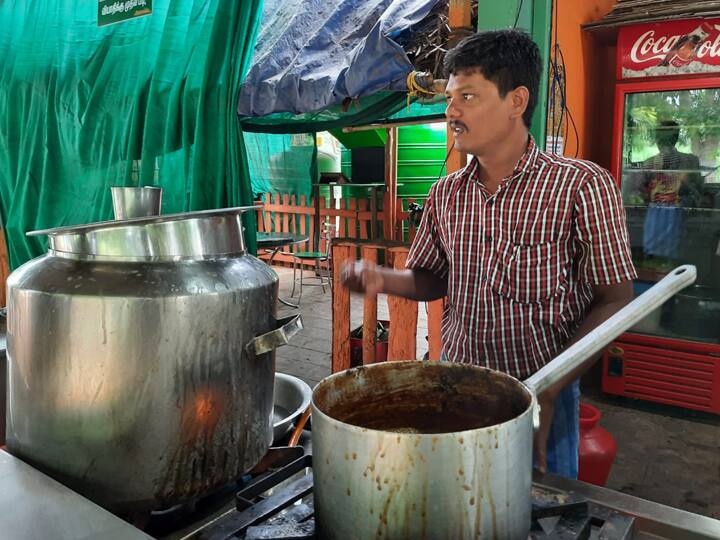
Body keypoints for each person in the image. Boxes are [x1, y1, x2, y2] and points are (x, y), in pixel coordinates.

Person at [341, 29, 636, 478]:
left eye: (469, 97)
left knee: (538, 514)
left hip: (542, 394)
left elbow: (615, 298)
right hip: (457, 387)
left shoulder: (581, 185)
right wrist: (382, 278)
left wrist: (551, 389)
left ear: (516, 101)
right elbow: (431, 278)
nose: (451, 111)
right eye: (451, 97)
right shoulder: (446, 193)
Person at [640, 120, 706, 262]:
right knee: (653, 260)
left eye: (666, 137)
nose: (662, 141)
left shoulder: (690, 161)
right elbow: (642, 193)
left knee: (675, 261)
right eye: (659, 137)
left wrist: (684, 181)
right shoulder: (649, 163)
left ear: (675, 138)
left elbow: (699, 193)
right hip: (654, 219)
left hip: (681, 218)